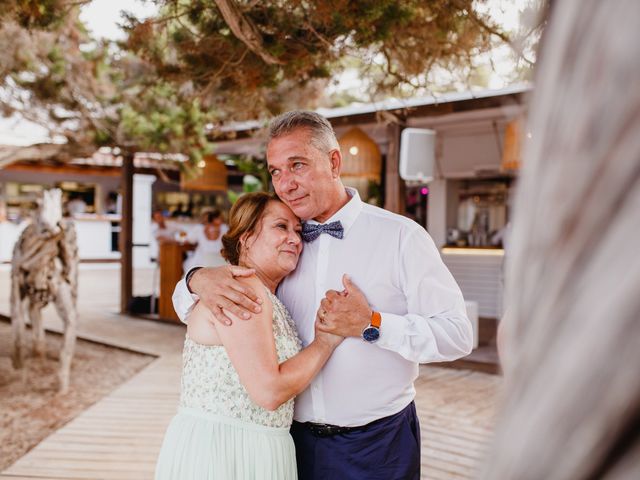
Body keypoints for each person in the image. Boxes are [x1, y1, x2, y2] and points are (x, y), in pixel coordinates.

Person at [173, 111, 473, 480]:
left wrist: (372, 324)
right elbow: (213, 308)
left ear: (334, 162)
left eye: (296, 165)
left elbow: (458, 335)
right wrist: (194, 279)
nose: (285, 184)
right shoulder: (282, 247)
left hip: (377, 443)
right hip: (288, 444)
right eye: (276, 171)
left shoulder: (401, 237)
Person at [156, 192, 343, 479]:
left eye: (297, 230)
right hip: (228, 450)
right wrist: (327, 339)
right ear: (246, 238)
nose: (295, 239)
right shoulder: (242, 289)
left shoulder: (263, 292)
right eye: (281, 227)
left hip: (252, 444)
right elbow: (269, 392)